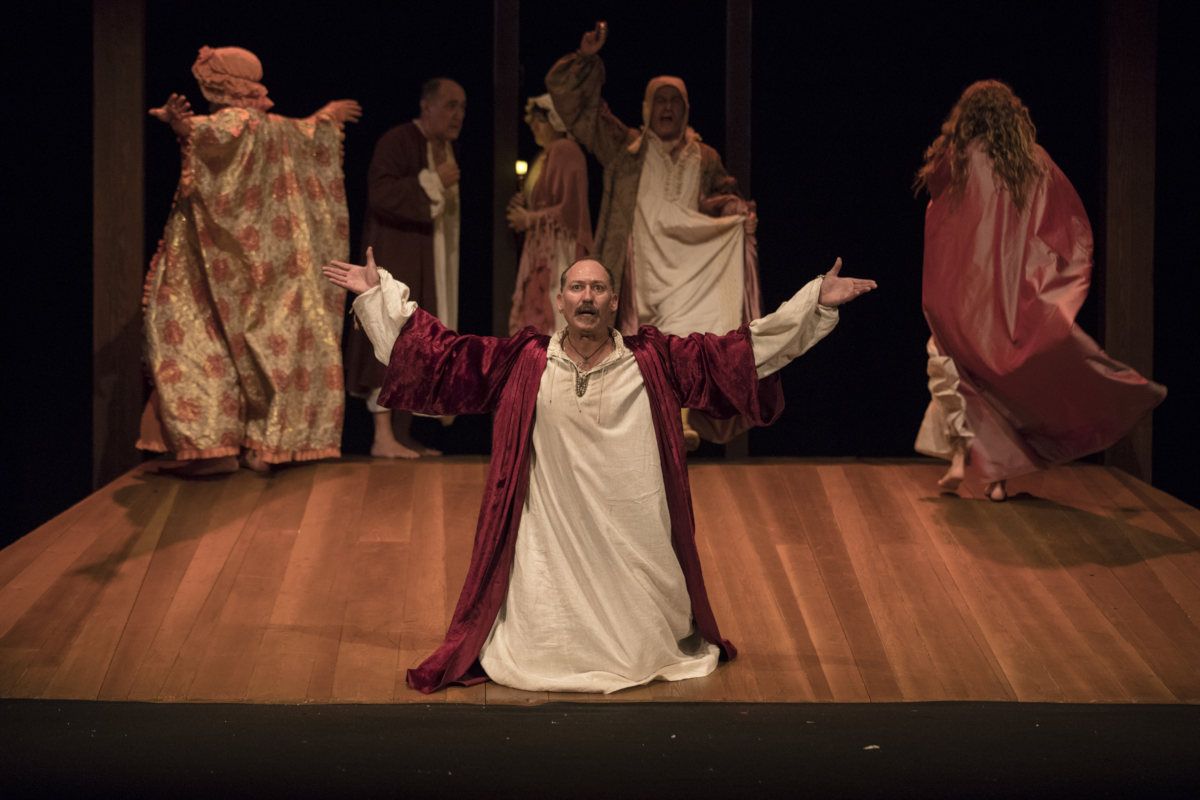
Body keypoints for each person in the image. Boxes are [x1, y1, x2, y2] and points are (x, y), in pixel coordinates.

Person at [323, 248, 876, 693]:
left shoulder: (654, 360)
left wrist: (813, 305)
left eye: (598, 289)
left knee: (642, 640)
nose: (587, 297)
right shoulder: (525, 361)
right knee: (536, 644)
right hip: (551, 541)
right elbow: (442, 360)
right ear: (559, 302)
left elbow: (739, 353)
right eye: (577, 289)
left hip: (632, 538)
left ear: (614, 302)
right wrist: (378, 297)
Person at [913, 80, 1166, 501]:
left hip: (966, 295)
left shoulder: (957, 159)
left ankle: (968, 460)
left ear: (969, 118)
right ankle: (992, 477)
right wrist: (1046, 284)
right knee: (991, 381)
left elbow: (938, 204)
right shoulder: (1032, 163)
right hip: (1011, 298)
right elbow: (1064, 227)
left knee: (954, 368)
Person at [139, 46, 361, 475]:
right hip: (260, 270)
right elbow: (305, 131)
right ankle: (264, 442)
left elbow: (216, 133)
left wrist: (183, 126)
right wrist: (327, 117)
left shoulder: (237, 121)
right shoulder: (274, 126)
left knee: (192, 336)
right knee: (257, 345)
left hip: (209, 264)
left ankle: (214, 445)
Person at [546, 22, 762, 447]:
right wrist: (585, 59)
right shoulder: (624, 149)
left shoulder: (704, 156)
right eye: (659, 101)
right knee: (637, 343)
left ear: (686, 109)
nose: (667, 109)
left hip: (688, 269)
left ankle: (679, 418)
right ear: (646, 107)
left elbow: (722, 195)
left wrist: (734, 208)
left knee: (687, 341)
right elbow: (576, 108)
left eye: (675, 102)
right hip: (638, 267)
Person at [343, 77, 466, 459]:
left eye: (462, 107)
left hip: (429, 258)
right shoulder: (398, 141)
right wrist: (431, 181)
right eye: (450, 105)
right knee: (391, 335)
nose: (458, 115)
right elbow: (381, 194)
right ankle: (381, 435)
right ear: (426, 107)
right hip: (398, 257)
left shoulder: (442, 148)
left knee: (418, 342)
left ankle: (400, 433)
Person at [506, 94, 593, 334]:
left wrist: (529, 218)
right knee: (537, 310)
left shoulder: (565, 150)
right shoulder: (545, 155)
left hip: (557, 248)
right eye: (532, 121)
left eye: (540, 121)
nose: (534, 126)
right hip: (542, 247)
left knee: (553, 310)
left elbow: (570, 208)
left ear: (556, 121)